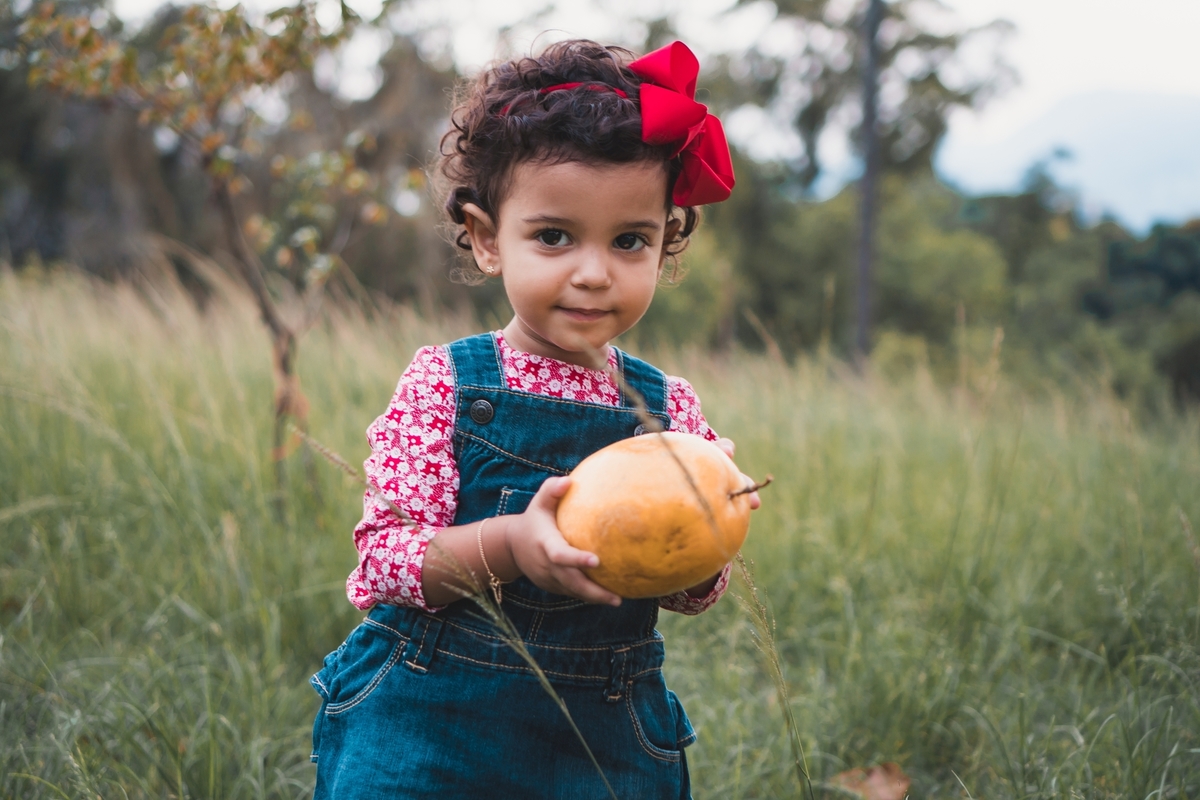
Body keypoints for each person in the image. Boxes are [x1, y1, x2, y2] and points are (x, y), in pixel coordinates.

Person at [310, 38, 758, 798]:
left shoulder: (670, 410)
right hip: (427, 718)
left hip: (601, 737)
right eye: (554, 236)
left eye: (629, 241)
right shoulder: (444, 384)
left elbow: (690, 595)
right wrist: (514, 543)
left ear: (665, 245)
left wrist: (714, 519)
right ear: (488, 240)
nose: (592, 271)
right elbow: (384, 563)